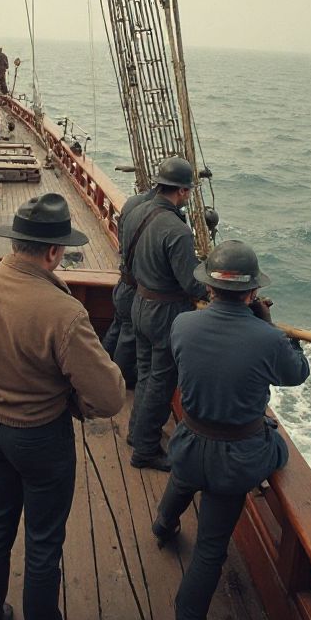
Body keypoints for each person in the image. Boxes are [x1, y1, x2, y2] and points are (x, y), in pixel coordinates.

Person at [0, 193, 124, 620]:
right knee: (43, 546)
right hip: (41, 438)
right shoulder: (63, 312)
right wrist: (70, 398)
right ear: (53, 252)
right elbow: (109, 396)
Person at [151, 240, 310, 620]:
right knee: (210, 548)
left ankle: (163, 524)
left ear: (209, 288)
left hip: (189, 445)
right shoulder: (268, 339)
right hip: (233, 462)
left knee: (185, 475)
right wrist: (273, 329)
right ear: (253, 292)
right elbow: (297, 373)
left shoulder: (183, 324)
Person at [125, 156, 207, 471]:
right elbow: (192, 283)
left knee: (146, 373)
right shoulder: (177, 230)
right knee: (161, 382)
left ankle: (136, 433)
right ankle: (145, 450)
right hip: (164, 313)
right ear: (182, 191)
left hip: (139, 303)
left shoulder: (137, 211)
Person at [101, 185, 157, 389]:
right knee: (128, 334)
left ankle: (101, 369)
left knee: (117, 327)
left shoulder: (133, 203)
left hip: (123, 282)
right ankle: (119, 380)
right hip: (135, 288)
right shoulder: (156, 213)